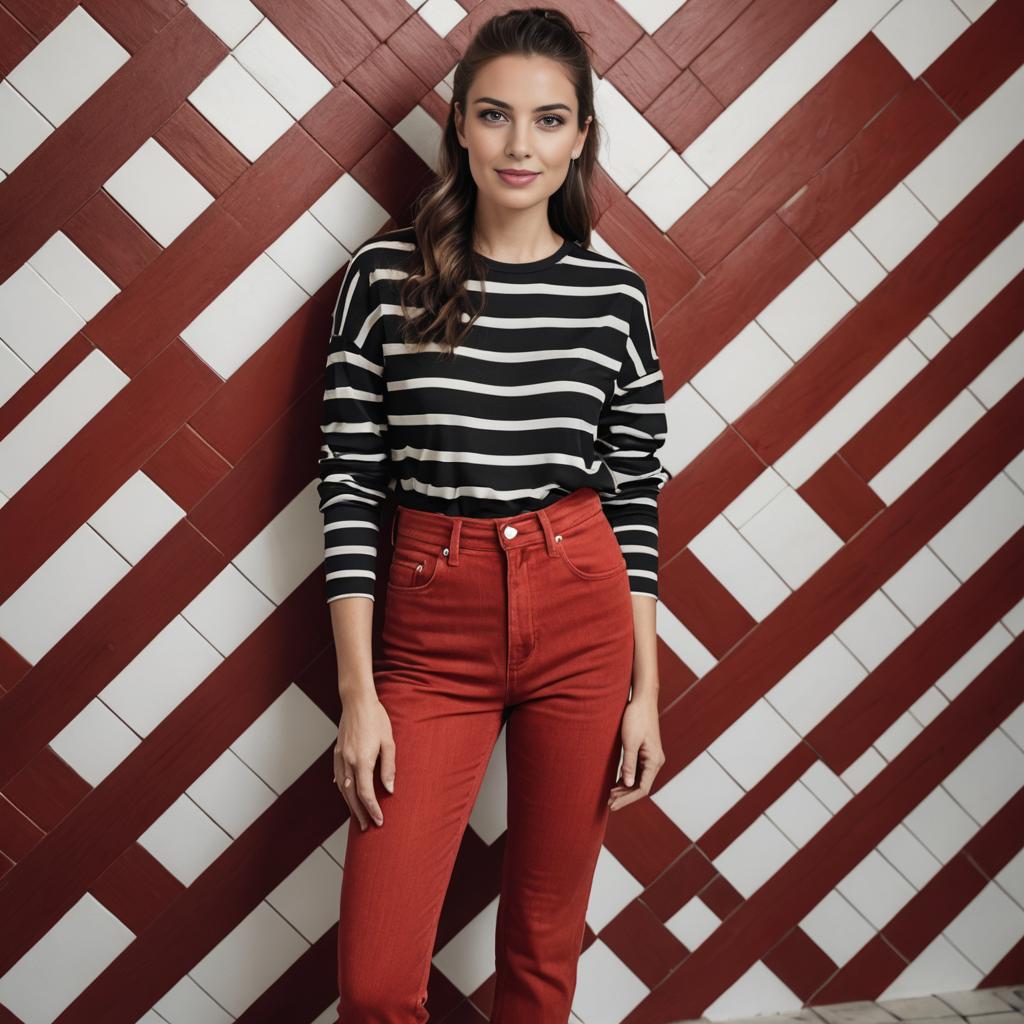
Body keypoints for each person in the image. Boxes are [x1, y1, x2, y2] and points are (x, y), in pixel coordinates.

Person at [317, 7, 669, 1021]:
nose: (521, 145)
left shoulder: (614, 297)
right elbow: (348, 483)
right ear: (459, 128)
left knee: (541, 952)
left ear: (582, 135)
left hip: (583, 609)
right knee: (378, 981)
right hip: (431, 623)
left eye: (549, 120)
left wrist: (646, 687)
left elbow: (634, 492)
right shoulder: (381, 281)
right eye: (496, 116)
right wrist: (360, 695)